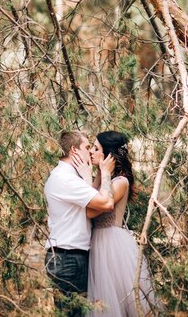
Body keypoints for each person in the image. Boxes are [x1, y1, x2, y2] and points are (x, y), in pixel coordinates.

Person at [72, 130, 160, 317]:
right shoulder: (104, 177)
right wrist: (96, 175)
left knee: (116, 301)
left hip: (111, 244)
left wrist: (96, 176)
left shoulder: (120, 182)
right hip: (96, 242)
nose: (91, 153)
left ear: (108, 155)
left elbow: (89, 210)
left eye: (96, 149)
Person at [44, 130, 115, 316]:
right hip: (68, 258)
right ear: (74, 151)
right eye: (87, 147)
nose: (91, 151)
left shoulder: (68, 177)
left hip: (68, 256)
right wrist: (106, 173)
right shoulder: (65, 179)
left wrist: (92, 176)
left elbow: (89, 203)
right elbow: (106, 203)